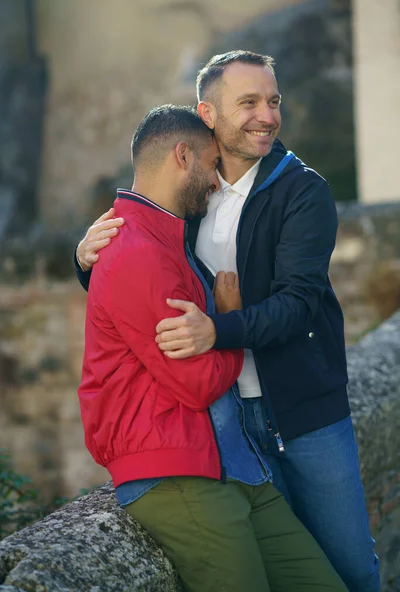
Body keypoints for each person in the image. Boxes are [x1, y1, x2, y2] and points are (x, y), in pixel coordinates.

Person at [75, 52, 379, 592]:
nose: (267, 115)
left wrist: (222, 330)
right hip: (224, 424)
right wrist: (86, 264)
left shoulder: (301, 190)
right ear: (208, 114)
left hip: (302, 412)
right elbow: (142, 291)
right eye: (249, 103)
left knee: (351, 570)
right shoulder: (189, 198)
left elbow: (298, 302)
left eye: (274, 101)